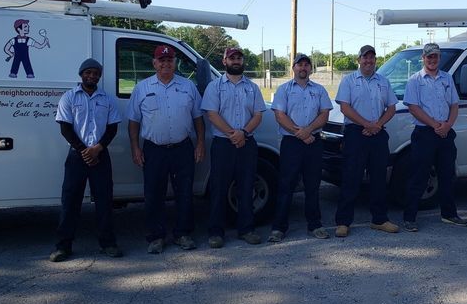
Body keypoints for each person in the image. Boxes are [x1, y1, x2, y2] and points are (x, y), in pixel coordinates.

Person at [127, 45, 205, 254]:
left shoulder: (188, 86)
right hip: (154, 150)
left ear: (175, 63)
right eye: (161, 60)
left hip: (183, 148)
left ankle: (183, 234)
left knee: (185, 193)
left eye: (169, 60)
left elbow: (198, 118)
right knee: (153, 194)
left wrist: (200, 143)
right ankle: (156, 236)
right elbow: (133, 121)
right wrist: (135, 147)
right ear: (154, 63)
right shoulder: (141, 88)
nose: (166, 63)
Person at [50, 58, 122, 262]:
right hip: (77, 156)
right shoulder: (69, 97)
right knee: (70, 202)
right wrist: (84, 151)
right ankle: (63, 246)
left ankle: (108, 243)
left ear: (99, 76)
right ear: (81, 74)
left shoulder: (107, 99)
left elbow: (112, 128)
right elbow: (65, 128)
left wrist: (98, 148)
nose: (92, 76)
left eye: (96, 73)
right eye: (88, 72)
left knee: (104, 201)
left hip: (101, 155)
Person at [201, 47, 267, 248]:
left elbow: (258, 115)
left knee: (246, 187)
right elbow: (212, 114)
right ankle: (216, 232)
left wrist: (243, 133)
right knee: (219, 188)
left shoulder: (253, 87)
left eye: (239, 58)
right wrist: (233, 134)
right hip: (223, 144)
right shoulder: (215, 87)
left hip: (247, 143)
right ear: (224, 61)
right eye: (232, 58)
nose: (236, 61)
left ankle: (246, 229)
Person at [333, 45, 400, 237]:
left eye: (372, 58)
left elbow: (391, 108)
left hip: (378, 132)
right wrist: (366, 124)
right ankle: (343, 222)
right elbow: (345, 108)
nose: (369, 61)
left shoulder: (383, 81)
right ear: (359, 60)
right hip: (356, 132)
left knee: (379, 178)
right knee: (351, 178)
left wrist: (377, 125)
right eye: (365, 57)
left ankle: (379, 219)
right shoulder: (349, 81)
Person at [402, 43, 467, 231]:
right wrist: (435, 125)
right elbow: (413, 107)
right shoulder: (415, 80)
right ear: (423, 58)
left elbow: (454, 104)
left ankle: (449, 214)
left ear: (439, 58)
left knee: (447, 175)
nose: (432, 60)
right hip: (425, 134)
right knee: (419, 176)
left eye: (436, 57)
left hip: (445, 133)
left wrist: (447, 125)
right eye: (429, 57)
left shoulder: (447, 78)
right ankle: (410, 218)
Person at [268, 54, 333, 242]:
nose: (303, 68)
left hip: (314, 141)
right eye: (299, 65)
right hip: (292, 143)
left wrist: (308, 131)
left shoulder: (319, 90)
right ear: (293, 68)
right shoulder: (284, 90)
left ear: (310, 69)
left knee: (313, 185)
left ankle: (315, 225)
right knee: (286, 185)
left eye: (306, 65)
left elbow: (324, 114)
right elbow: (280, 115)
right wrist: (300, 133)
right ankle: (278, 228)